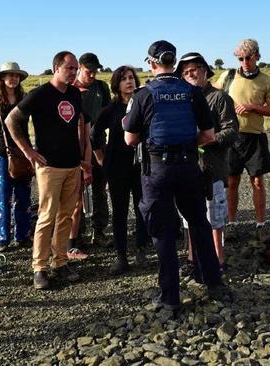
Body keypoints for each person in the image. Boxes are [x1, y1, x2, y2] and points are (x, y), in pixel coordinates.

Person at [123, 41, 228, 310]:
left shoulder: (143, 94)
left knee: (163, 232)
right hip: (189, 166)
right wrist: (186, 144)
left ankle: (170, 297)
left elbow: (130, 138)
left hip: (157, 169)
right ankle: (214, 283)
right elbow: (209, 135)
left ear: (151, 63)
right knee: (199, 223)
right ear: (174, 62)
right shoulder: (192, 93)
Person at [5, 51, 92, 290]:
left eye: (75, 69)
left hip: (72, 165)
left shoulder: (74, 93)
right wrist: (27, 151)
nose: (73, 72)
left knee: (66, 216)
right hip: (49, 166)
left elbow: (80, 125)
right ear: (56, 68)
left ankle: (60, 262)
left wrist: (84, 159)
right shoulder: (40, 94)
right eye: (69, 68)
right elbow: (12, 120)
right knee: (47, 217)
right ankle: (39, 267)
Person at [176, 52, 239, 272]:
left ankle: (217, 260)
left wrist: (209, 140)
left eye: (193, 69)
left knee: (215, 216)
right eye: (185, 72)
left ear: (204, 70)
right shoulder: (183, 99)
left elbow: (232, 129)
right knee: (190, 216)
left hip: (213, 166)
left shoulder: (219, 98)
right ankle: (193, 259)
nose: (190, 74)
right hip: (188, 166)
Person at [214, 39, 270, 242]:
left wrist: (253, 108)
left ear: (257, 56)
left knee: (257, 182)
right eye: (240, 58)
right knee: (231, 182)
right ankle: (231, 223)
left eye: (248, 58)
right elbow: (212, 96)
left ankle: (260, 224)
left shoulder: (266, 81)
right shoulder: (228, 76)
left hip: (255, 137)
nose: (244, 62)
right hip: (231, 137)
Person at [92, 65, 149, 275]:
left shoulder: (143, 104)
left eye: (132, 77)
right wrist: (100, 159)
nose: (129, 81)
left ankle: (142, 249)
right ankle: (121, 255)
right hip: (117, 167)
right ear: (116, 83)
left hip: (142, 165)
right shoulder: (110, 109)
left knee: (143, 207)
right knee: (120, 212)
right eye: (124, 78)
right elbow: (95, 134)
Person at [0, 62, 31, 252]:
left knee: (23, 195)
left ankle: (22, 235)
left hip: (23, 151)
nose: (13, 78)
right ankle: (2, 238)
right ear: (2, 78)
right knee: (2, 195)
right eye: (9, 75)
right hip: (3, 153)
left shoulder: (25, 99)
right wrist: (1, 143)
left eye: (16, 75)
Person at [69, 52, 112, 253]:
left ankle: (99, 231)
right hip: (74, 148)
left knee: (100, 189)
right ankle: (76, 234)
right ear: (79, 67)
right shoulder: (70, 90)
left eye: (95, 71)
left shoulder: (101, 88)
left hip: (99, 145)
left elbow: (108, 116)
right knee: (75, 194)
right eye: (89, 71)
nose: (92, 75)